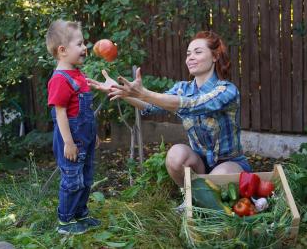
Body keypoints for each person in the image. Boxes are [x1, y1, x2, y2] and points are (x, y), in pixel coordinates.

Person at [88, 31, 251, 189]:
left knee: (216, 180)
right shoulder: (182, 88)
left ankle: (202, 202)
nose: (190, 58)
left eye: (197, 52)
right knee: (175, 154)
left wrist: (145, 93)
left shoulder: (227, 90)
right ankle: (190, 199)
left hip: (230, 164)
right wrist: (120, 91)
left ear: (215, 57)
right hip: (199, 163)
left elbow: (194, 104)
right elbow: (151, 106)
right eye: (188, 54)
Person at [46, 19, 100, 235]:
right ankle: (65, 221)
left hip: (84, 140)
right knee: (72, 180)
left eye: (83, 43)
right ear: (62, 50)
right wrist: (68, 142)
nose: (84, 48)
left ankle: (80, 214)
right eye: (79, 44)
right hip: (71, 142)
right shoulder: (60, 79)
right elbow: (60, 114)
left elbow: (85, 113)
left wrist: (93, 135)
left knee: (86, 179)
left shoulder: (78, 75)